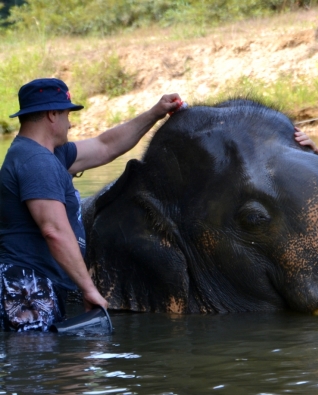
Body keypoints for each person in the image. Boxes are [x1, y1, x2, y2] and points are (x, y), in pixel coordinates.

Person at [0, 78, 183, 331]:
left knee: (48, 362)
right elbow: (54, 230)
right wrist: (89, 289)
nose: (70, 122)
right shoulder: (36, 162)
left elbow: (105, 146)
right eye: (66, 114)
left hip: (35, 284)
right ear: (52, 114)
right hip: (27, 286)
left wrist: (155, 112)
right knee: (36, 365)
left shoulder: (49, 154)